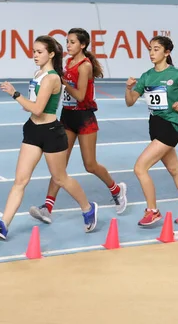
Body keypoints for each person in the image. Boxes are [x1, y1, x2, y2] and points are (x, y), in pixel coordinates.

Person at [0, 35, 98, 240]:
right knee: (20, 180)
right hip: (32, 131)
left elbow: (37, 109)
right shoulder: (38, 74)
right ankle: (3, 225)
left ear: (51, 54)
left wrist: (15, 94)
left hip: (51, 133)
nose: (35, 55)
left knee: (60, 178)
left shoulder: (52, 78)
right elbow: (33, 106)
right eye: (34, 52)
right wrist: (24, 101)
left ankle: (88, 208)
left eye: (39, 52)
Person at [29, 28, 127, 225]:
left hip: (84, 117)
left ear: (82, 45)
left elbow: (81, 96)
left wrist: (63, 83)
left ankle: (116, 189)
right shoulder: (68, 62)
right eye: (67, 41)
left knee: (90, 164)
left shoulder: (85, 66)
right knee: (60, 165)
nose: (68, 45)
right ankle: (47, 207)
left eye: (72, 42)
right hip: (67, 116)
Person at [124, 36, 178, 226]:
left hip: (169, 127)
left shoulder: (177, 74)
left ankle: (152, 211)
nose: (152, 53)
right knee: (175, 170)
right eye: (150, 49)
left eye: (156, 49)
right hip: (155, 126)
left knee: (140, 168)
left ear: (167, 52)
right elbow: (130, 101)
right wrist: (128, 88)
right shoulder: (147, 76)